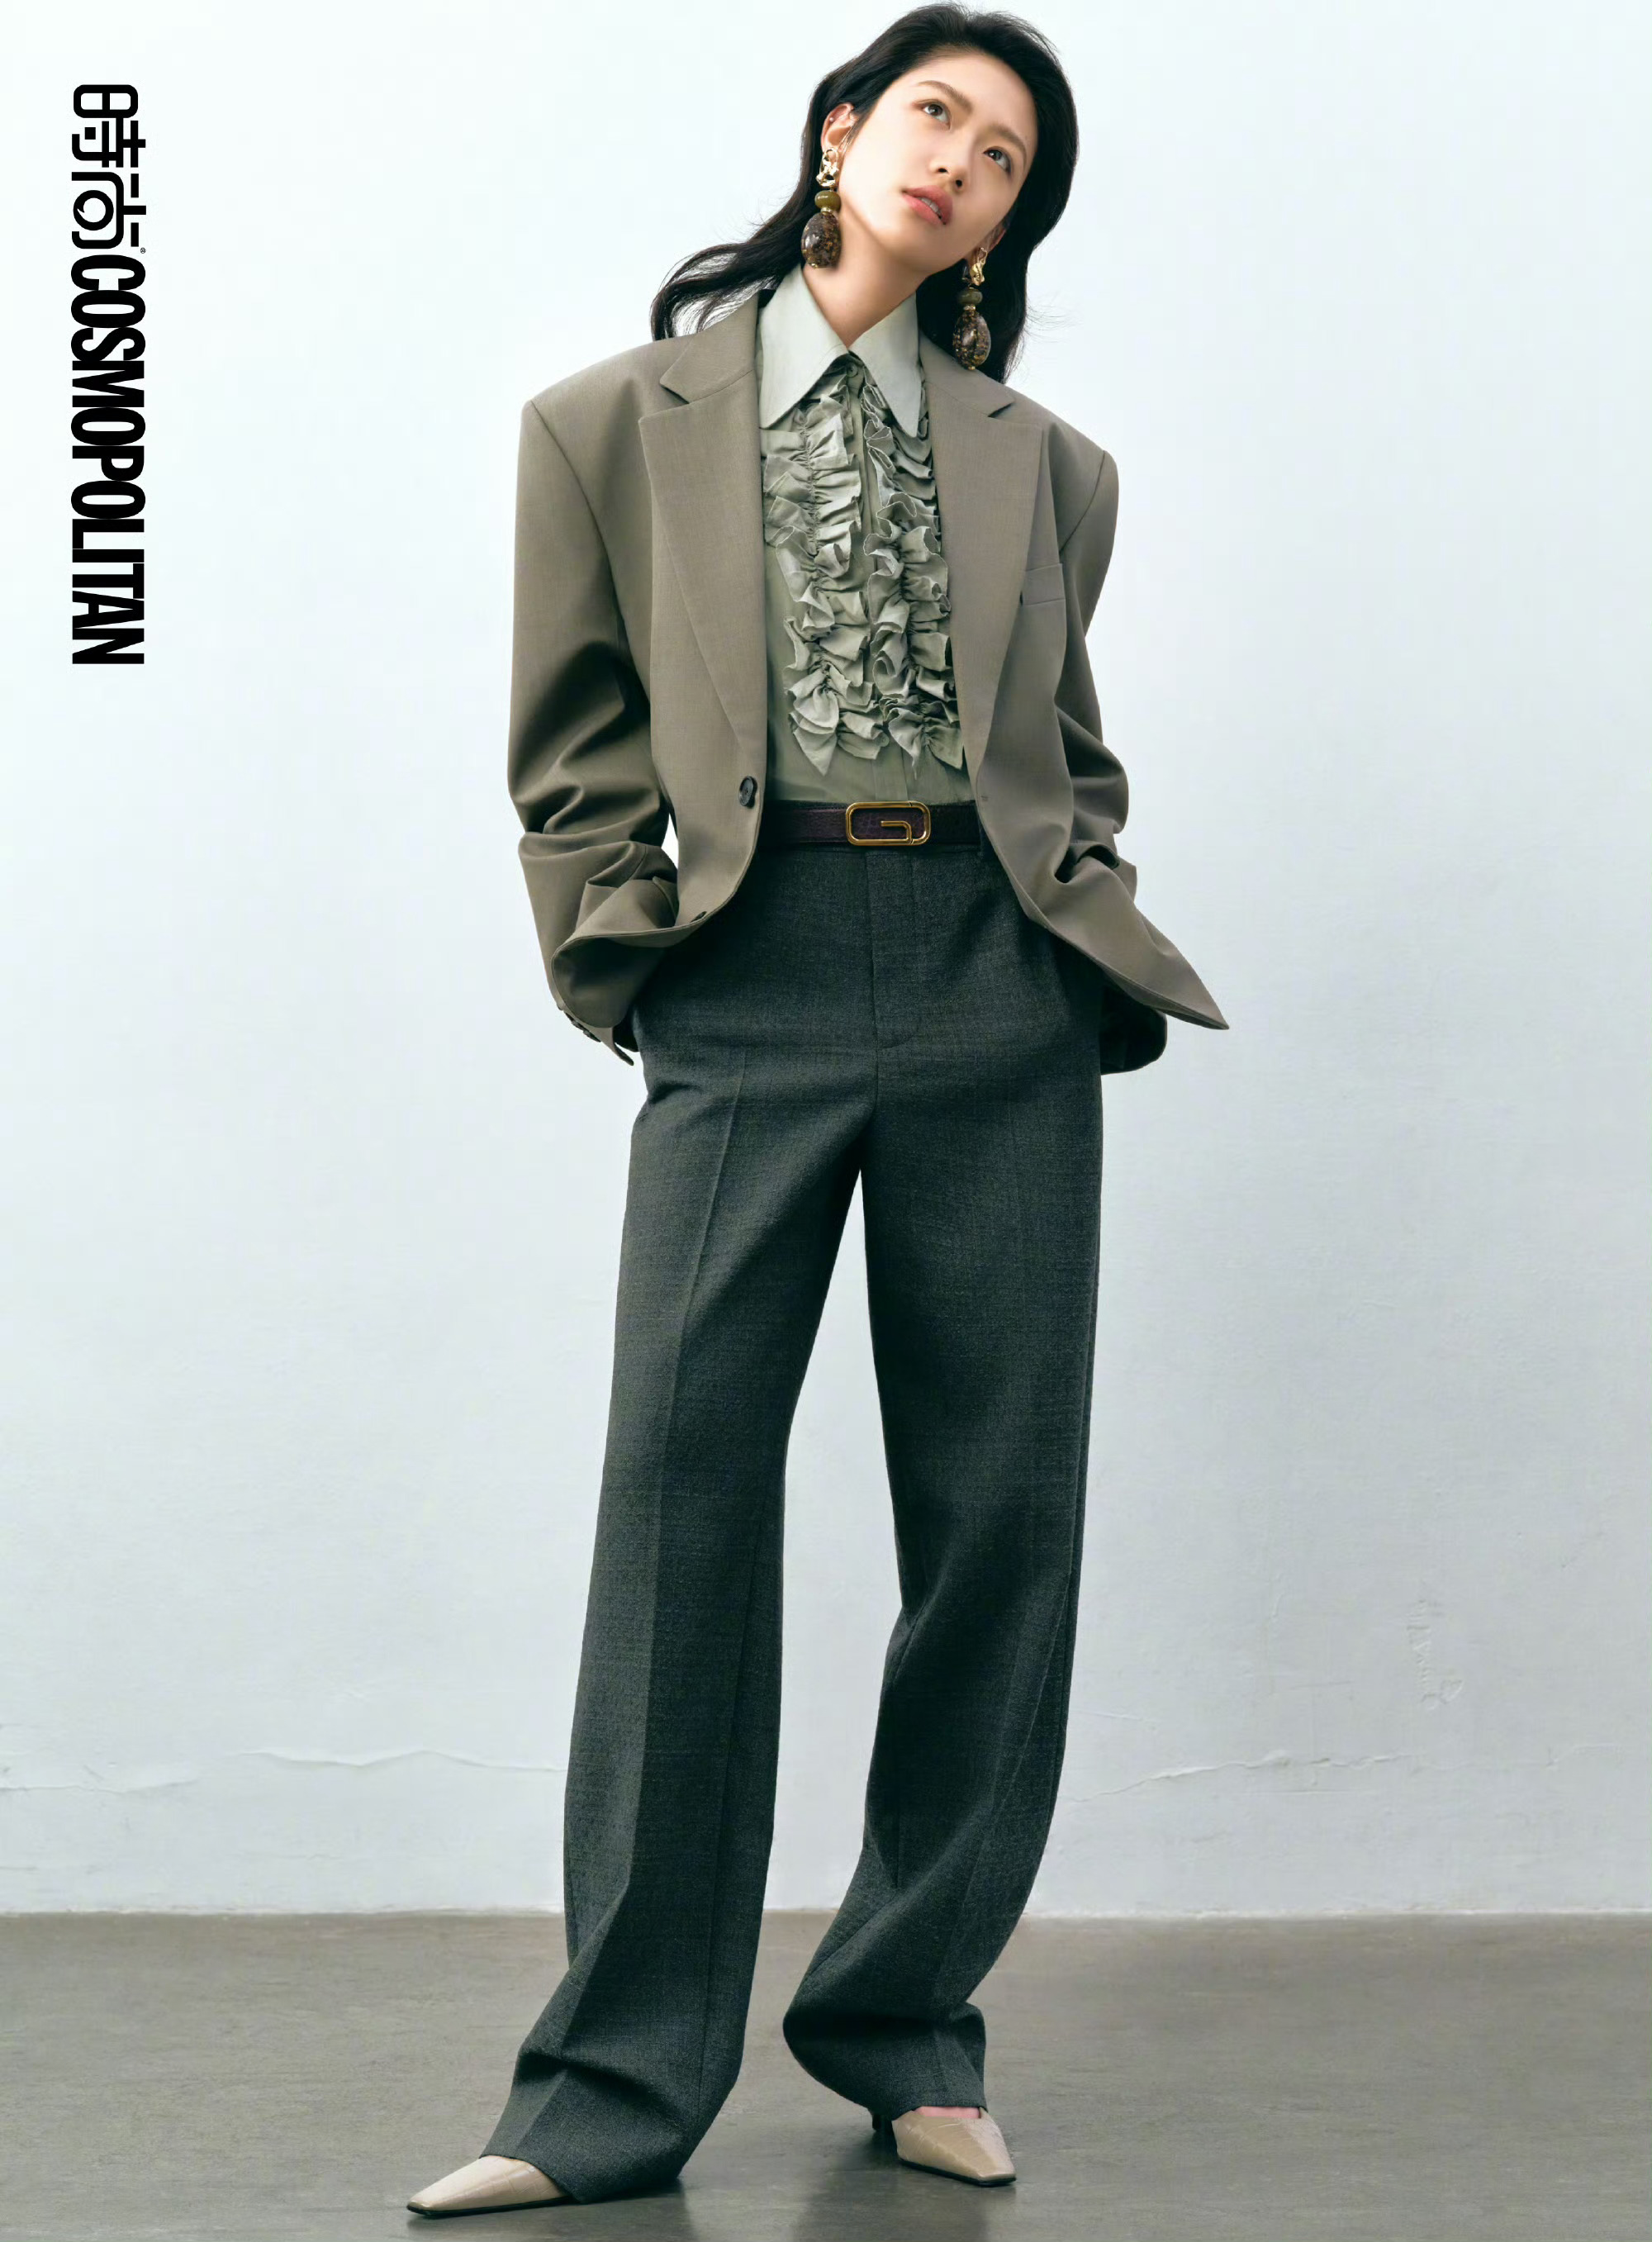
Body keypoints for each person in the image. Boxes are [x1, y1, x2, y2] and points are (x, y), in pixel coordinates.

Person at [409, 3, 1226, 2216]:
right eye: (936, 113)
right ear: (846, 129)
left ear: (1006, 225)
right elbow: (571, 737)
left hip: (992, 982)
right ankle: (606, 2087)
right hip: (747, 982)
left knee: (997, 1518)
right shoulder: (608, 422)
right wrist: (627, 950)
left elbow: (1064, 745)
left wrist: (1077, 902)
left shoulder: (1055, 466)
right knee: (678, 1503)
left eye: (1006, 154)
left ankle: (905, 2020)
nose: (962, 159)